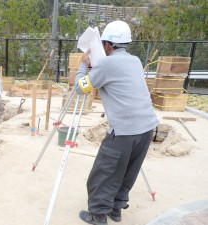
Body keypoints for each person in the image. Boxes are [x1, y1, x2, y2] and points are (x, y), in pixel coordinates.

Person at [75, 20, 159, 225]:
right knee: (128, 170)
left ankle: (97, 215)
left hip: (124, 131)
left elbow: (80, 88)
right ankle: (116, 209)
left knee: (104, 173)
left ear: (107, 45)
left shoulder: (105, 63)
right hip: (147, 128)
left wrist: (84, 65)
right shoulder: (136, 60)